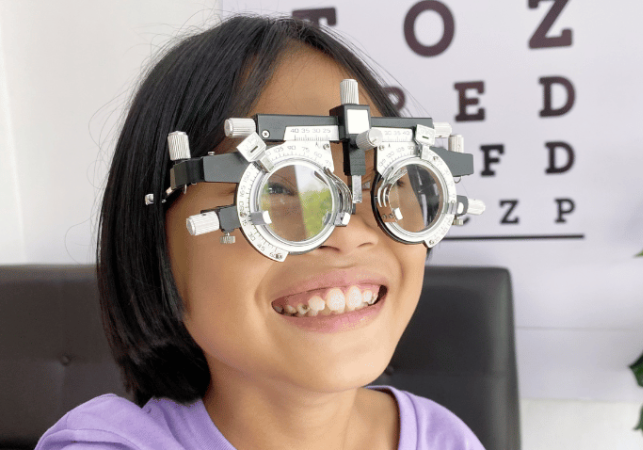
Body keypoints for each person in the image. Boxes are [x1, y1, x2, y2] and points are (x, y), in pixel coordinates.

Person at [35, 14, 485, 450]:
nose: (350, 234)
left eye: (393, 179)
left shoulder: (443, 437)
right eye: (279, 188)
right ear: (153, 239)